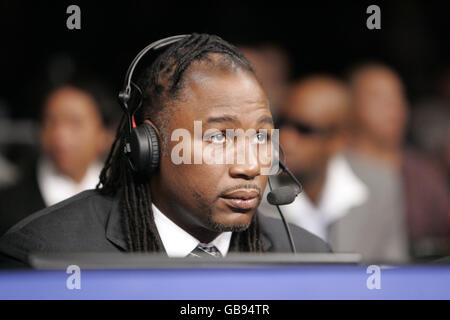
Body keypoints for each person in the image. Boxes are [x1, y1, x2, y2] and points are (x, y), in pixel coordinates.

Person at [0, 34, 330, 267]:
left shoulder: (310, 258)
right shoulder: (45, 256)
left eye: (260, 137)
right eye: (218, 138)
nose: (249, 167)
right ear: (149, 147)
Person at [346, 62, 449, 261]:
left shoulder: (425, 171)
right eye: (378, 97)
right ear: (350, 105)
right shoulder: (334, 168)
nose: (392, 106)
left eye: (398, 96)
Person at [257, 75, 370, 252]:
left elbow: (391, 272)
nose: (285, 138)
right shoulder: (252, 189)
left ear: (339, 141)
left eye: (305, 129)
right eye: (281, 122)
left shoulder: (379, 187)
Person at [0, 77, 119, 236]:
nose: (60, 135)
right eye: (51, 121)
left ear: (105, 135)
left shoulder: (122, 201)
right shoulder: (8, 207)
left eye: (75, 123)